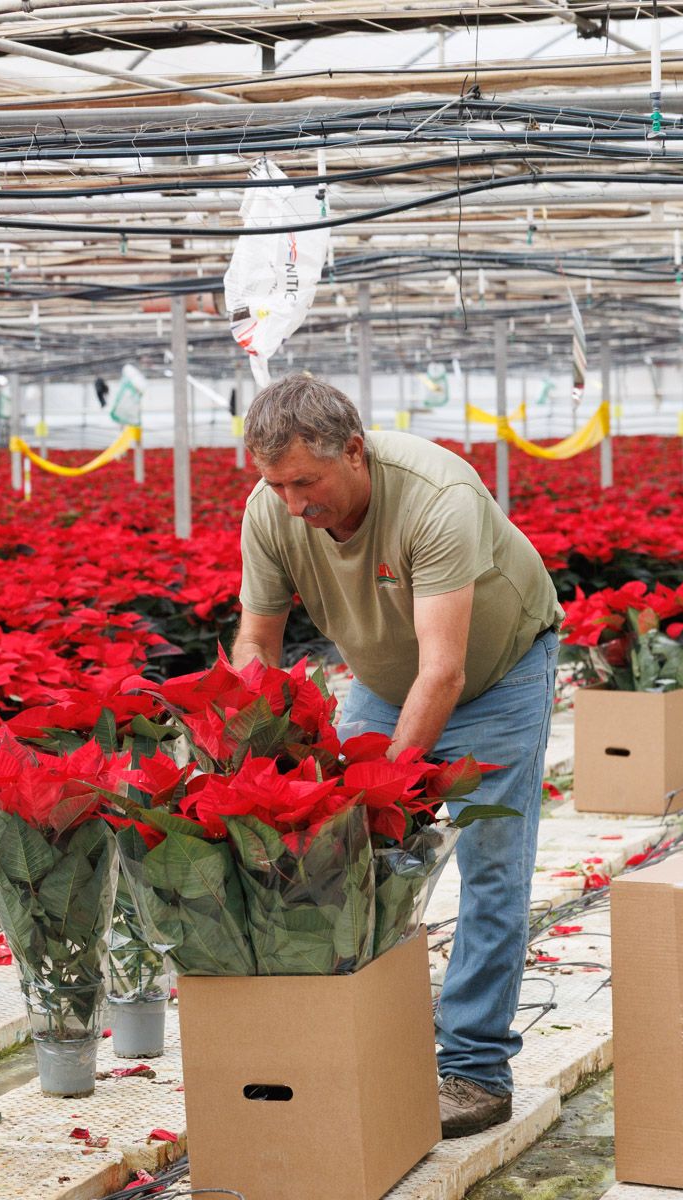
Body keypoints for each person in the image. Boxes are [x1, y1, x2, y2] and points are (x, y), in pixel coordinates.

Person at [229, 374, 562, 1139]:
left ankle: (476, 1068)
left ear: (355, 451)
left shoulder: (437, 496)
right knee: (341, 860)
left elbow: (443, 671)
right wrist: (252, 735)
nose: (292, 504)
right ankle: (359, 1043)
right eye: (275, 484)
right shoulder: (271, 513)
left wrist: (380, 791)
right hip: (383, 682)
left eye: (305, 482)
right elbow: (258, 640)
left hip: (497, 676)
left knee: (491, 866)